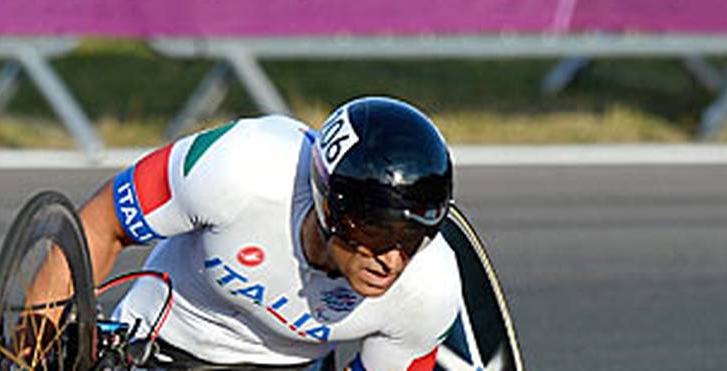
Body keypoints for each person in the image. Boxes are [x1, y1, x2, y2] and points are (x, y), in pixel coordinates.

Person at [76, 96, 461, 370]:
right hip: (155, 351)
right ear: (329, 205)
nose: (393, 260)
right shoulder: (243, 165)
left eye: (413, 238)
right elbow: (101, 224)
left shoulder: (430, 287)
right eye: (378, 232)